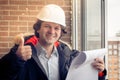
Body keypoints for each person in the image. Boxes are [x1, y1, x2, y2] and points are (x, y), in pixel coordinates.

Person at [0, 4, 106, 80]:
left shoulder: (70, 56)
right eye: (47, 26)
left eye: (56, 28)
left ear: (61, 32)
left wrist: (99, 72)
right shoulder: (20, 53)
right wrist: (16, 59)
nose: (52, 32)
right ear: (38, 28)